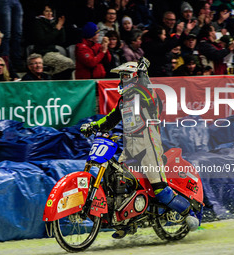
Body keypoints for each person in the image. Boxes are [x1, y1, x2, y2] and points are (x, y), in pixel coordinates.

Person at [80, 58, 199, 238]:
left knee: (160, 191)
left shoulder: (145, 96)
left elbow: (149, 94)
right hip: (130, 148)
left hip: (149, 146)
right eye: (122, 77)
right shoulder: (123, 101)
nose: (123, 81)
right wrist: (92, 126)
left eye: (127, 77)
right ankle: (128, 223)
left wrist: (144, 74)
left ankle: (189, 213)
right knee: (117, 181)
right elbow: (109, 120)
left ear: (135, 77)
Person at [31, 4, 75, 80]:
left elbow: (62, 41)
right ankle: (49, 78)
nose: (49, 13)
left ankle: (51, 77)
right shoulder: (37, 23)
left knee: (70, 65)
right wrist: (56, 29)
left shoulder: (52, 22)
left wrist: (61, 27)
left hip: (53, 52)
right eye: (47, 11)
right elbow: (44, 40)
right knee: (68, 63)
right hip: (43, 53)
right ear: (42, 13)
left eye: (51, 11)